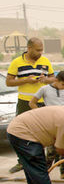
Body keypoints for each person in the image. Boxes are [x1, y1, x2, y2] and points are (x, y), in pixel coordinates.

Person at [6, 37, 55, 173]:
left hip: (42, 102)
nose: (40, 53)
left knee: (43, 131)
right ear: (29, 48)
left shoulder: (45, 61)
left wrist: (46, 80)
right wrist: (25, 80)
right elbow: (9, 82)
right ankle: (21, 162)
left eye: (42, 50)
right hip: (24, 103)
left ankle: (43, 161)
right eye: (38, 50)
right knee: (22, 132)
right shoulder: (17, 62)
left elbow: (53, 78)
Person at [29, 70, 64, 179]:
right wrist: (43, 114)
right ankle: (44, 175)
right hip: (52, 125)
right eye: (63, 84)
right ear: (56, 80)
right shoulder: (45, 89)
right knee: (51, 152)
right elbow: (32, 103)